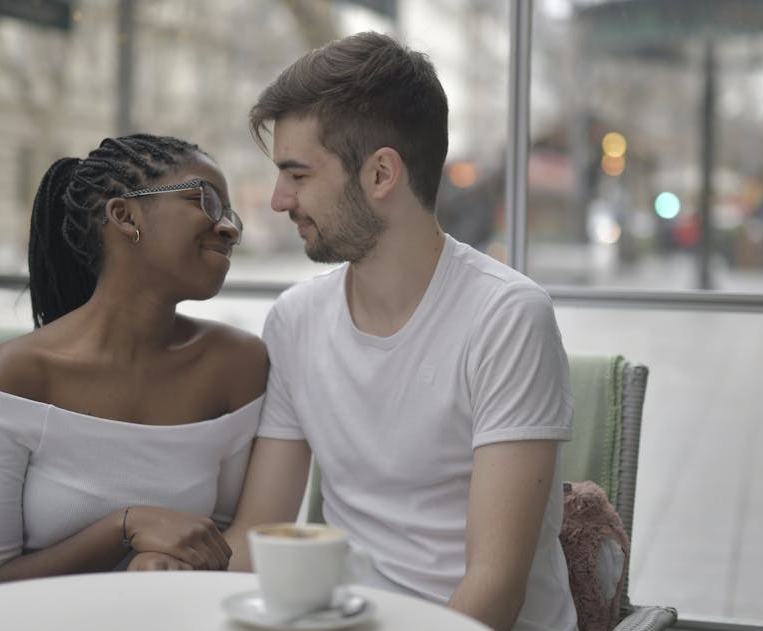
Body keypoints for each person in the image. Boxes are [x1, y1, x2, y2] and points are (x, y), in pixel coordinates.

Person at [223, 32, 576, 631]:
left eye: (298, 174)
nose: (280, 199)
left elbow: (494, 591)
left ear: (382, 172)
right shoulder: (295, 321)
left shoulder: (507, 318)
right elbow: (256, 541)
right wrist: (141, 564)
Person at [0, 133, 267, 584]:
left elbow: (226, 537)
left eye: (230, 213)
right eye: (207, 201)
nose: (230, 228)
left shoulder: (238, 365)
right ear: (124, 214)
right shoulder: (12, 378)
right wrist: (125, 528)